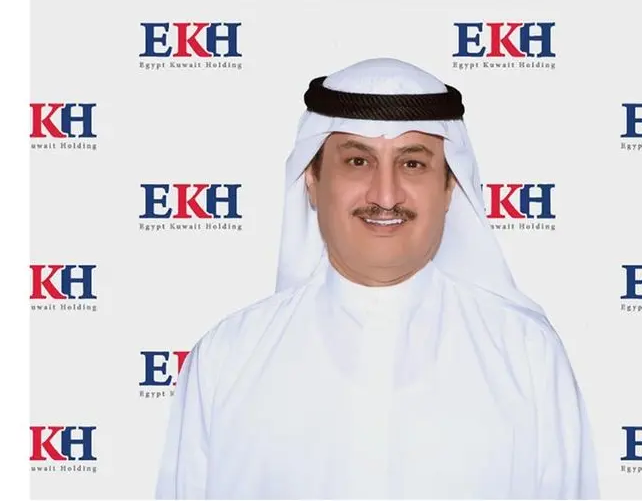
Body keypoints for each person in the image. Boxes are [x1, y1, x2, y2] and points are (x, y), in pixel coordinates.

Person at [155, 57, 599, 499]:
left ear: (450, 187)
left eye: (412, 164)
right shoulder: (227, 360)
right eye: (357, 161)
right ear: (312, 179)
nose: (385, 195)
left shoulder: (528, 357)